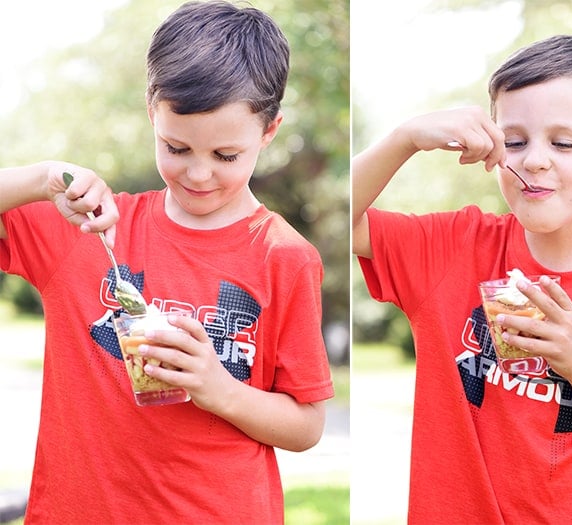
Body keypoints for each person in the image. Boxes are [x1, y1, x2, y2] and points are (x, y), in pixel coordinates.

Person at [0, 1, 334, 523]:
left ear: (269, 131)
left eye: (225, 156)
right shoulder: (89, 228)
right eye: (176, 147)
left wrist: (217, 387)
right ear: (152, 111)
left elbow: (307, 425)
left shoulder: (284, 257)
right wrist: (43, 178)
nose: (199, 174)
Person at [353, 34, 572, 524]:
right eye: (515, 141)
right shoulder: (457, 247)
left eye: (563, 143)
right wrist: (405, 138)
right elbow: (345, 221)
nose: (534, 160)